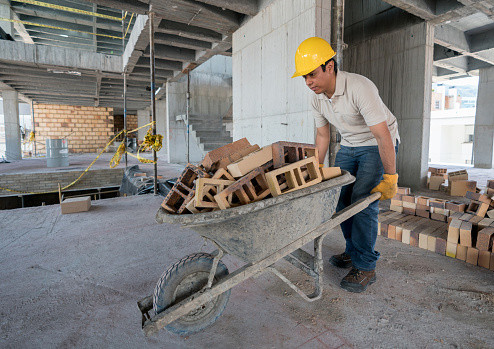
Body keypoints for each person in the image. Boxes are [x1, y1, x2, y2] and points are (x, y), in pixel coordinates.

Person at [292, 37, 400, 293]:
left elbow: (383, 135)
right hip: (349, 146)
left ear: (330, 66)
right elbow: (322, 136)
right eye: (304, 77)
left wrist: (391, 176)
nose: (308, 82)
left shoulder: (360, 87)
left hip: (376, 144)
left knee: (363, 202)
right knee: (339, 198)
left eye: (312, 75)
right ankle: (353, 251)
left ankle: (366, 266)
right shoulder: (317, 98)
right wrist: (315, 172)